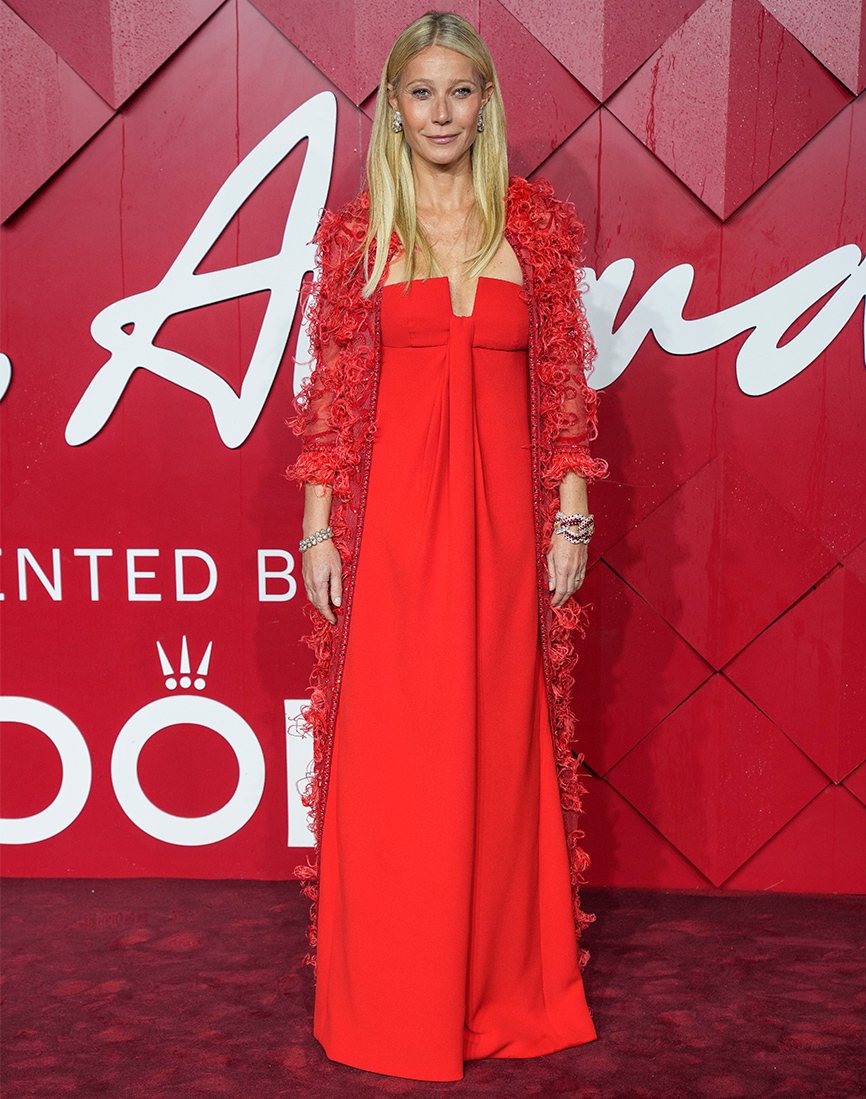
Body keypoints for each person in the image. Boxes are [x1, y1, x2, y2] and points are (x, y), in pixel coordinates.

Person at [287, 10, 606, 1082]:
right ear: (393, 106)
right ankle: (394, 998)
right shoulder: (359, 235)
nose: (439, 113)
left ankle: (499, 991)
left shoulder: (537, 227)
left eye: (458, 92)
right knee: (396, 756)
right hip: (393, 530)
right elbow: (334, 399)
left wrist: (571, 513)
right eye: (420, 93)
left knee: (502, 749)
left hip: (509, 533)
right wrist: (318, 530)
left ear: (485, 104)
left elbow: (563, 382)